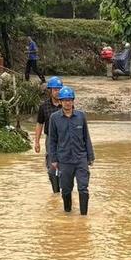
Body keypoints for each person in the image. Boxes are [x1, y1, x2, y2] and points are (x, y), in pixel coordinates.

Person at [49, 87, 95, 216]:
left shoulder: (81, 116)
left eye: (69, 100)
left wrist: (90, 157)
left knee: (83, 188)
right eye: (64, 101)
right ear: (60, 102)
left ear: (73, 101)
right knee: (66, 190)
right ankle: (68, 214)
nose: (67, 103)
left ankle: (83, 217)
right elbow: (52, 140)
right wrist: (53, 159)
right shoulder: (55, 118)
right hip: (64, 160)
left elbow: (86, 137)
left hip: (81, 158)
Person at [35, 76, 64, 194]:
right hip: (50, 139)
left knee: (65, 165)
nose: (57, 92)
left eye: (59, 89)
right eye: (55, 90)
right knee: (52, 167)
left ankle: (65, 189)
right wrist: (37, 142)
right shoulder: (44, 107)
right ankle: (56, 192)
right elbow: (39, 124)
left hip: (64, 139)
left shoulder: (66, 104)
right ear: (50, 91)